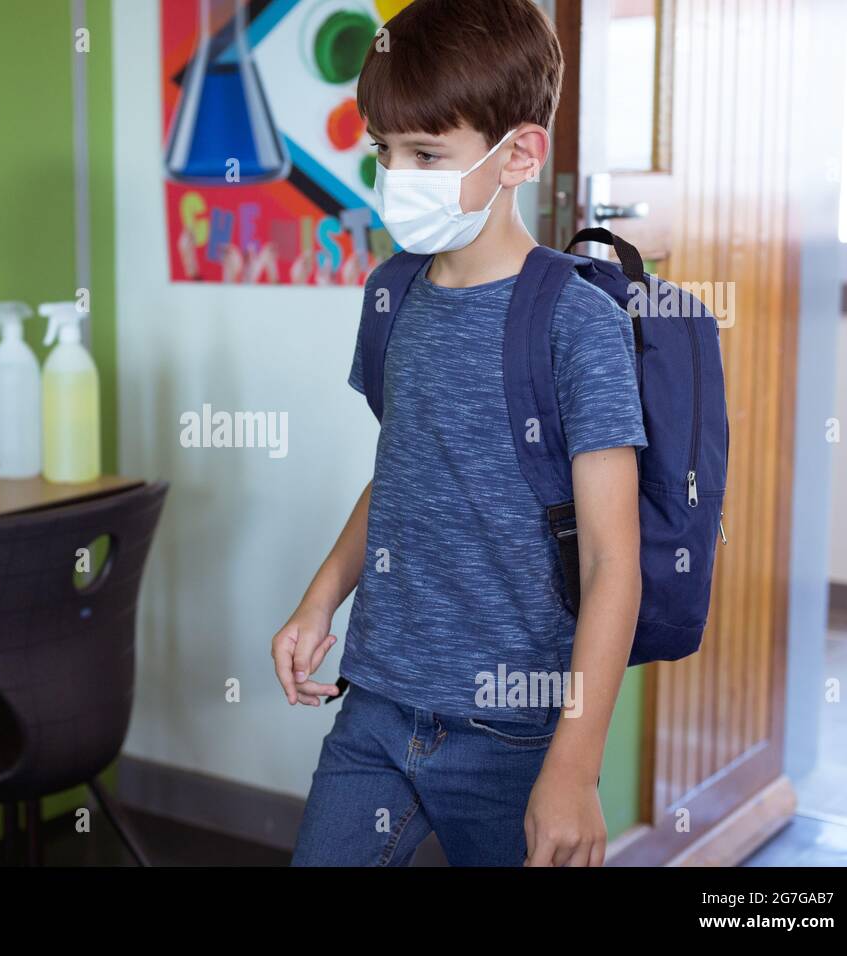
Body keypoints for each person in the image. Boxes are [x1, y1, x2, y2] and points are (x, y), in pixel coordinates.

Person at [273, 0, 646, 867]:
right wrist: (319, 599)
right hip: (375, 706)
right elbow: (402, 471)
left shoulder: (574, 324)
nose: (395, 175)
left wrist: (575, 767)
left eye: (426, 154)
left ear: (519, 152)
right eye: (384, 151)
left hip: (514, 733)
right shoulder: (392, 294)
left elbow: (612, 562)